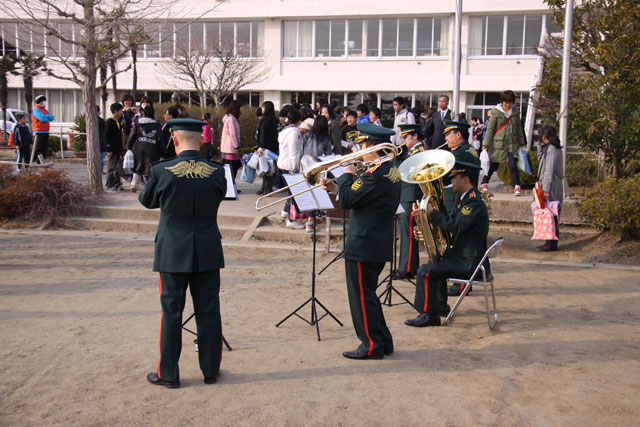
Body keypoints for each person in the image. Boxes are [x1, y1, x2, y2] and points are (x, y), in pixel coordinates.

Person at [140, 118, 227, 389]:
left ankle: (169, 374)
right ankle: (210, 370)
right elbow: (219, 196)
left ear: (174, 140)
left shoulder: (162, 170)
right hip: (207, 248)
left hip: (172, 251)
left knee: (172, 313)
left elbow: (147, 201)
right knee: (209, 311)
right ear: (201, 140)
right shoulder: (216, 171)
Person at [321, 123, 400, 360]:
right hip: (376, 240)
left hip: (363, 243)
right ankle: (383, 340)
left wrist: (346, 174)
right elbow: (360, 198)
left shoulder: (374, 174)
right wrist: (337, 187)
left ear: (373, 146)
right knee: (369, 295)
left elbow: (347, 200)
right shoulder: (390, 169)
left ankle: (371, 344)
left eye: (362, 145)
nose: (359, 150)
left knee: (361, 297)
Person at [405, 160, 489, 327]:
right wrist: (424, 230)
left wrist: (432, 212)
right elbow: (451, 224)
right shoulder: (465, 200)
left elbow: (456, 226)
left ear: (466, 179)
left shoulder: (473, 203)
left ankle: (429, 315)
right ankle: (440, 307)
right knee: (434, 262)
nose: (451, 181)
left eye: (454, 177)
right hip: (464, 257)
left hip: (469, 263)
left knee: (425, 271)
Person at [440, 121, 481, 296]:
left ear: (458, 135)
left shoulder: (459, 153)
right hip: (460, 197)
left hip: (458, 198)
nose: (446, 138)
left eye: (449, 134)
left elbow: (448, 177)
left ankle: (462, 284)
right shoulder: (468, 150)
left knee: (458, 241)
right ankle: (464, 281)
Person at [395, 124, 425, 280]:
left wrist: (395, 160)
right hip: (406, 194)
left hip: (411, 195)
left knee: (409, 232)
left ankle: (407, 269)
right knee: (407, 231)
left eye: (407, 137)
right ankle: (407, 267)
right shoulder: (410, 152)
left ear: (415, 136)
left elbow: (404, 170)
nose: (405, 140)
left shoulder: (418, 152)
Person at [481, 90, 525, 195]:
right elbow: (490, 129)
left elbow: (519, 129)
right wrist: (485, 145)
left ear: (513, 102)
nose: (507, 104)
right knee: (493, 165)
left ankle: (517, 185)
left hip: (511, 144)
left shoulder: (515, 113)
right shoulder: (496, 112)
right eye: (505, 102)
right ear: (502, 101)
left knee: (512, 164)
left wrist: (522, 143)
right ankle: (484, 182)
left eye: (509, 102)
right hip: (498, 144)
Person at [536, 125, 563, 252]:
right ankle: (550, 242)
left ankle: (551, 243)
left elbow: (549, 170)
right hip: (550, 185)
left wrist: (545, 189)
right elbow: (540, 159)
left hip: (552, 187)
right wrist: (540, 146)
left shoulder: (552, 149)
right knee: (551, 215)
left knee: (551, 215)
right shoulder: (549, 148)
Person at [277, 108, 305, 229]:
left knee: (290, 191)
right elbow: (293, 151)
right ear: (299, 120)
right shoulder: (294, 132)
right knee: (293, 193)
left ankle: (285, 211)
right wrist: (295, 168)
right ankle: (291, 220)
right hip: (289, 166)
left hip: (283, 164)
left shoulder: (285, 130)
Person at [127, 105, 162, 192]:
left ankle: (134, 184)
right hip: (152, 149)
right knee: (150, 168)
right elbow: (160, 139)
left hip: (138, 148)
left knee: (138, 167)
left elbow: (132, 136)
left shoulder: (138, 123)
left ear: (143, 113)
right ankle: (149, 187)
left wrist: (129, 147)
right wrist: (162, 151)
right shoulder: (156, 125)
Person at [257, 101, 279, 195]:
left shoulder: (264, 120)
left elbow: (262, 135)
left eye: (263, 107)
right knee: (269, 169)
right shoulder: (274, 119)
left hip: (265, 148)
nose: (261, 109)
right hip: (272, 148)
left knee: (265, 168)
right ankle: (265, 188)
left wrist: (260, 147)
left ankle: (267, 190)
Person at [220, 99, 242, 189]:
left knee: (230, 169)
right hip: (230, 149)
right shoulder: (231, 119)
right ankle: (230, 187)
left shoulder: (229, 118)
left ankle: (230, 186)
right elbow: (233, 134)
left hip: (226, 149)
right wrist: (236, 145)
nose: (242, 109)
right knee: (233, 169)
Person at [104, 102, 125, 192]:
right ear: (115, 111)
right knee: (111, 167)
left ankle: (117, 184)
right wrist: (108, 148)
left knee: (118, 167)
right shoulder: (110, 122)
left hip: (118, 148)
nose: (122, 112)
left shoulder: (118, 122)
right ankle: (109, 184)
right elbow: (106, 136)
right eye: (120, 110)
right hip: (112, 148)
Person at [31, 94, 54, 164]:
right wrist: (47, 117)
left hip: (45, 131)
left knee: (44, 148)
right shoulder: (36, 110)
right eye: (43, 101)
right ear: (40, 101)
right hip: (38, 131)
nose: (44, 102)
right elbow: (42, 118)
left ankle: (41, 162)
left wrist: (46, 117)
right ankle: (31, 161)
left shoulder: (44, 110)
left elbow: (52, 117)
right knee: (38, 148)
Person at [97, 106, 107, 173]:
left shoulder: (91, 120)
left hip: (97, 140)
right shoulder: (100, 120)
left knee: (99, 157)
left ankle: (98, 169)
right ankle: (100, 169)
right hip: (102, 140)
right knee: (101, 157)